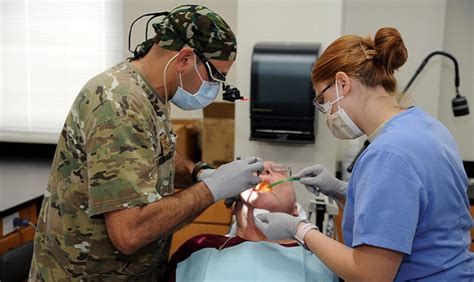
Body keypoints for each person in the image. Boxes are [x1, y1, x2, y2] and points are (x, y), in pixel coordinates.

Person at [29, 5, 263, 281]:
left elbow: (149, 158)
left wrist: (198, 172)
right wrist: (211, 189)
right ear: (185, 59)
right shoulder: (118, 104)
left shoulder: (154, 92)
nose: (214, 87)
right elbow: (129, 233)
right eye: (215, 76)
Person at [255, 27, 474, 281]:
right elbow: (409, 212)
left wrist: (300, 229)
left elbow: (370, 274)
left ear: (343, 83)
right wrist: (342, 191)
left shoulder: (387, 155)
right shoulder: (429, 127)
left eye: (322, 100)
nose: (325, 111)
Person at [165, 161, 338, 282]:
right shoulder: (199, 249)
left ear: (295, 210)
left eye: (278, 170)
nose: (265, 172)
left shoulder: (324, 257)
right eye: (257, 170)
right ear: (233, 205)